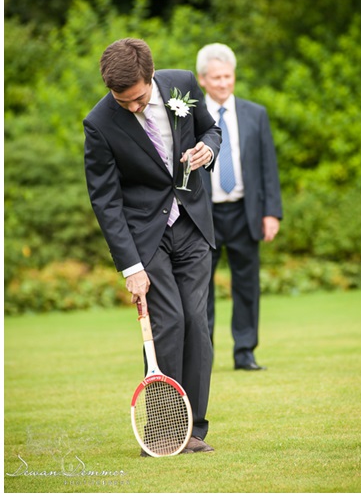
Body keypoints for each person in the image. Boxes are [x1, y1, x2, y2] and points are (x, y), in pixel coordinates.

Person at [84, 38, 220, 455]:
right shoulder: (99, 122)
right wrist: (130, 266)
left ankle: (193, 430)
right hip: (147, 237)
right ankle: (163, 431)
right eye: (121, 101)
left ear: (152, 77)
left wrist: (208, 150)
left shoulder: (182, 84)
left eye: (138, 98)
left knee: (197, 322)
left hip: (194, 225)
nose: (131, 107)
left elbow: (210, 129)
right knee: (168, 324)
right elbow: (105, 200)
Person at [196, 43, 283, 371]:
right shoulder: (191, 116)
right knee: (201, 287)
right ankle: (205, 354)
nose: (222, 83)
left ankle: (245, 351)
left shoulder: (255, 114)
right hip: (204, 215)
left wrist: (271, 212)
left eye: (227, 76)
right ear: (203, 80)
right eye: (215, 77)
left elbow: (268, 167)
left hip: (245, 211)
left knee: (247, 286)